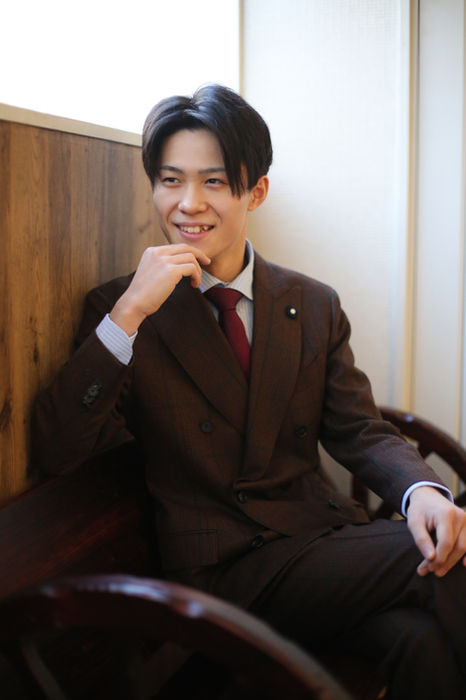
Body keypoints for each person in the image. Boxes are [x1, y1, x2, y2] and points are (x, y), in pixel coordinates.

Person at [32, 84, 466, 699]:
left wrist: (420, 489)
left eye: (213, 182)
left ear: (255, 191)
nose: (188, 204)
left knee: (420, 638)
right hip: (224, 574)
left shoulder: (312, 303)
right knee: (446, 553)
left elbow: (359, 429)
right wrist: (128, 314)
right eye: (170, 180)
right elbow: (58, 448)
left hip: (318, 540)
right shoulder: (121, 308)